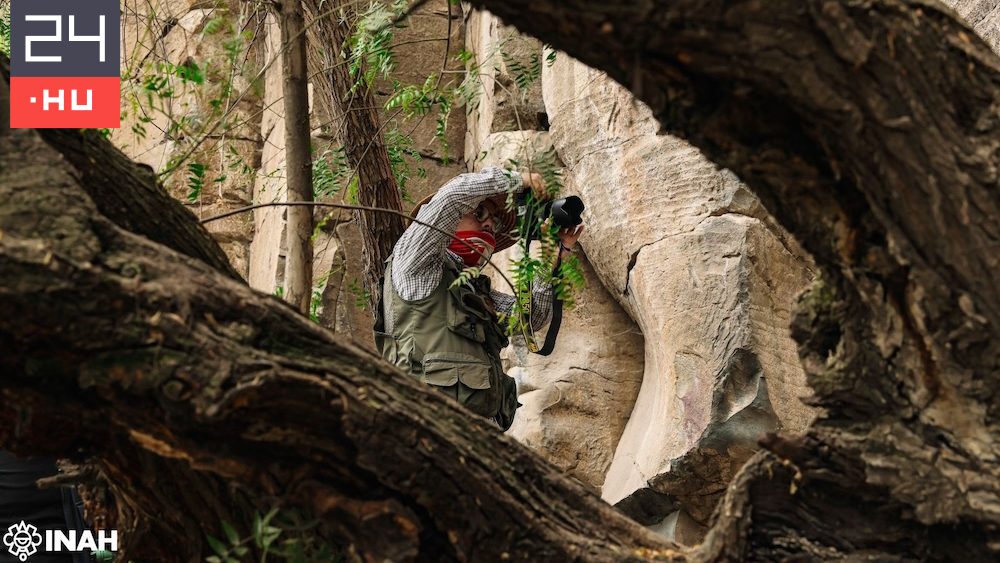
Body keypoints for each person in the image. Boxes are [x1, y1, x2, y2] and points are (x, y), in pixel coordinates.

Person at [374, 167, 583, 430]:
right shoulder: (413, 264)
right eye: (480, 213)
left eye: (495, 222)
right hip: (428, 428)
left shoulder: (472, 290)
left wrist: (552, 259)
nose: (488, 225)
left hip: (482, 434)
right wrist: (517, 180)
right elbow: (452, 197)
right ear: (444, 221)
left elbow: (530, 321)